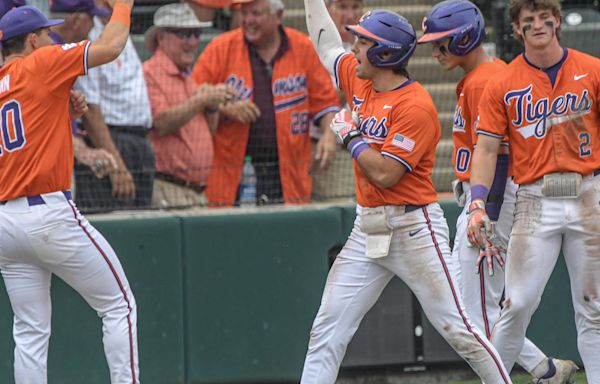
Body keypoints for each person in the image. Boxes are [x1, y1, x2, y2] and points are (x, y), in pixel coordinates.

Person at [300, 2, 513, 383]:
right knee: (326, 331)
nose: (354, 47)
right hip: (367, 229)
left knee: (458, 329)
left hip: (414, 229)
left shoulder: (416, 106)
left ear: (385, 53)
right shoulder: (359, 78)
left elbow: (385, 174)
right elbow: (326, 45)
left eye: (363, 42)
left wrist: (351, 137)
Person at [417, 1, 578, 383]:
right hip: (485, 200)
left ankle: (522, 375)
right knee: (462, 310)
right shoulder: (480, 76)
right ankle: (547, 370)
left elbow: (501, 153)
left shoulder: (488, 79)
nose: (435, 52)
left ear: (465, 38)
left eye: (441, 43)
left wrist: (484, 211)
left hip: (495, 201)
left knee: (476, 314)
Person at [0, 3, 139, 383]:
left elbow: (22, 137)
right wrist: (124, 5)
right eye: (46, 33)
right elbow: (111, 46)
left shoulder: (7, 78)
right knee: (119, 305)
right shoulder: (41, 63)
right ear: (32, 40)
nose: (51, 38)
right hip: (47, 212)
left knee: (29, 331)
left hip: (6, 223)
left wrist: (63, 113)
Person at [467, 0, 600, 382]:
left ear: (558, 22)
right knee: (517, 302)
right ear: (517, 29)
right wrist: (477, 201)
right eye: (529, 21)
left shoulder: (592, 70)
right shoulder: (503, 82)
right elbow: (487, 148)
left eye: (545, 18)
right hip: (534, 200)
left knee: (593, 306)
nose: (538, 25)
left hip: (588, 193)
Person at [192, 0, 340, 207]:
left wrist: (329, 136)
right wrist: (226, 107)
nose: (248, 20)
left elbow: (326, 104)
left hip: (287, 170)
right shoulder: (221, 48)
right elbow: (192, 94)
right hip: (232, 170)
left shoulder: (302, 47)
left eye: (256, 13)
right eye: (244, 14)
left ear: (278, 15)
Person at [143, 3, 236, 208]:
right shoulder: (149, 73)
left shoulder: (188, 77)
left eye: (196, 33)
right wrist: (201, 100)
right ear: (161, 37)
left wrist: (212, 105)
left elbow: (208, 131)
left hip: (197, 192)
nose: (193, 42)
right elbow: (161, 123)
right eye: (183, 34)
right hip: (168, 188)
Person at [74, 2, 155, 212]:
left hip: (139, 143)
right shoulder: (93, 38)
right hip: (111, 143)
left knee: (143, 224)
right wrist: (117, 167)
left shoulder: (119, 29)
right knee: (110, 223)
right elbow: (90, 111)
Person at [310, 0, 363, 202]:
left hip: (361, 143)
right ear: (328, 9)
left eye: (355, 7)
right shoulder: (311, 46)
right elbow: (322, 98)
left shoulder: (368, 45)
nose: (349, 14)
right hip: (322, 147)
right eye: (342, 7)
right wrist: (350, 81)